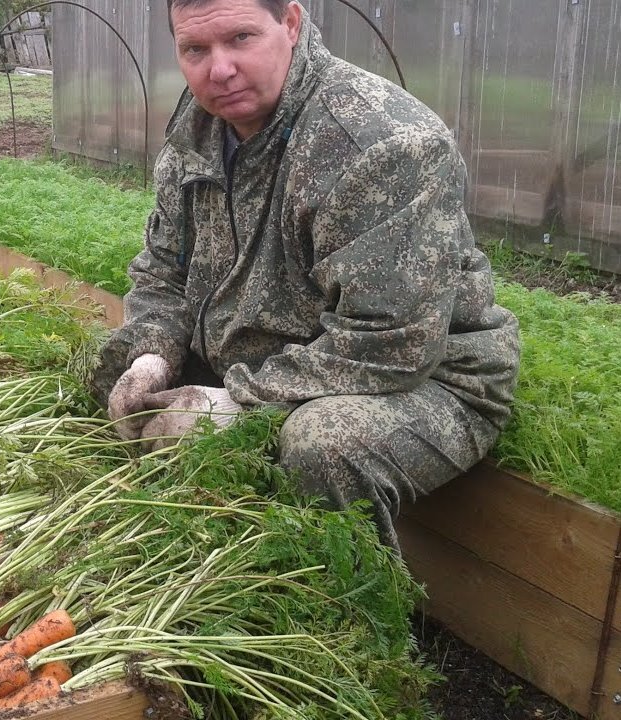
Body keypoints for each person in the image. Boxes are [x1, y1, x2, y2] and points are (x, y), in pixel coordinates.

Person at [93, 0, 521, 548]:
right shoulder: (201, 128)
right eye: (194, 49)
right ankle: (199, 550)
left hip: (426, 374)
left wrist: (237, 403)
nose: (218, 70)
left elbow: (393, 345)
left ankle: (349, 613)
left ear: (291, 24)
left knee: (320, 447)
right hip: (273, 357)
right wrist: (154, 353)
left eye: (241, 38)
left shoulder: (379, 144)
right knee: (117, 373)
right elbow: (162, 269)